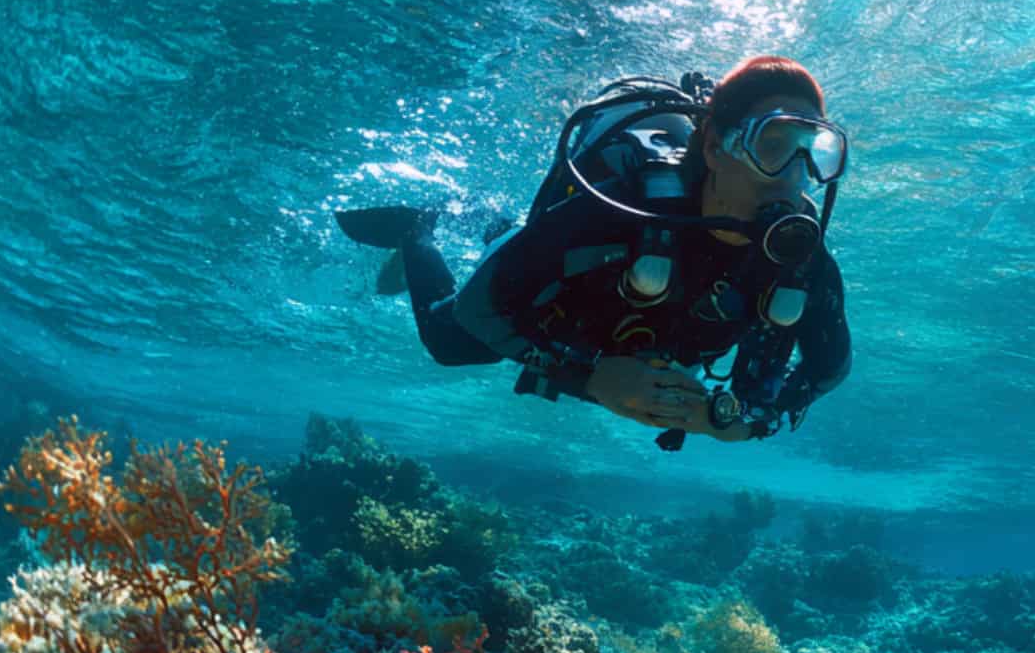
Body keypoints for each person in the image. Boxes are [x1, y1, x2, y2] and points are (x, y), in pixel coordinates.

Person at [334, 56, 851, 449]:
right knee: (452, 344)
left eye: (814, 151)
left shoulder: (801, 258)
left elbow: (828, 368)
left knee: (516, 252)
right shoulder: (625, 205)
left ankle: (485, 217)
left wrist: (740, 421)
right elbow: (479, 306)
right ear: (715, 147)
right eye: (774, 145)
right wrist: (590, 375)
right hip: (573, 316)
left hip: (626, 326)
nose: (794, 173)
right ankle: (417, 226)